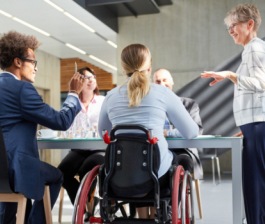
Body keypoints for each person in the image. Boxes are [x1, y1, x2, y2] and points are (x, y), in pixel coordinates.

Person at [0, 31, 84, 224]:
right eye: (33, 62)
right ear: (18, 62)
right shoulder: (22, 89)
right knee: (57, 176)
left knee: (11, 174)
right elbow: (61, 121)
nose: (36, 68)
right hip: (16, 171)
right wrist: (72, 94)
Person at [98, 44, 199, 219]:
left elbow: (103, 133)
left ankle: (144, 216)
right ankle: (158, 214)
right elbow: (191, 132)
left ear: (123, 68)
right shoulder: (163, 93)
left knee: (135, 163)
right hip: (156, 175)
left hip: (119, 175)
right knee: (177, 160)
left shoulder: (110, 96)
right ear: (149, 67)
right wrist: (168, 133)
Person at [201, 4, 265, 224]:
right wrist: (245, 126)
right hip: (254, 124)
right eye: (229, 28)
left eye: (233, 25)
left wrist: (229, 75)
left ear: (249, 24)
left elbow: (259, 85)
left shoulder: (255, 47)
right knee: (252, 182)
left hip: (258, 123)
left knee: (257, 182)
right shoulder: (252, 49)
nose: (231, 31)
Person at [58, 66, 105, 218]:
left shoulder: (103, 102)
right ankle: (83, 209)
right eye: (86, 77)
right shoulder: (72, 103)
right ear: (79, 82)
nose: (91, 80)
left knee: (87, 170)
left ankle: (88, 207)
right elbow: (66, 128)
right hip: (78, 149)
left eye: (93, 77)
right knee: (61, 173)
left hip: (99, 149)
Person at [153, 68, 204, 179]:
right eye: (157, 81)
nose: (162, 84)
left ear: (172, 81)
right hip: (158, 152)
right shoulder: (151, 108)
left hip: (183, 151)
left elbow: (197, 130)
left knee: (183, 162)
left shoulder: (189, 104)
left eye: (165, 80)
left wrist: (168, 133)